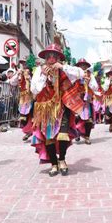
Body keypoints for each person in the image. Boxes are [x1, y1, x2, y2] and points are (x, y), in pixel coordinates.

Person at [30, 43, 85, 177]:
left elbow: (81, 73)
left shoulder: (64, 69)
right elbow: (34, 90)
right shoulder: (39, 70)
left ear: (58, 58)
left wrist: (63, 67)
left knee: (63, 134)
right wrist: (43, 76)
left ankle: (62, 160)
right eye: (49, 56)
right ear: (45, 58)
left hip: (62, 106)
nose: (51, 59)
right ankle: (54, 164)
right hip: (46, 108)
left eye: (54, 56)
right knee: (49, 137)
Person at [74, 58, 99, 145]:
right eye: (80, 65)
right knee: (75, 118)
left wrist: (89, 83)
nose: (82, 67)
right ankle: (76, 133)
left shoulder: (90, 75)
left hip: (87, 101)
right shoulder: (74, 75)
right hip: (76, 101)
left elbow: (95, 87)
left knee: (88, 120)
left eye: (84, 65)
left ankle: (87, 137)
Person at [10, 66, 33, 141]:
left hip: (33, 100)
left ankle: (33, 133)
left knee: (32, 117)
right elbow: (12, 82)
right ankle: (28, 132)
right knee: (24, 118)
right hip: (23, 100)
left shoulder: (32, 77)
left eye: (27, 71)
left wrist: (30, 79)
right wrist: (17, 74)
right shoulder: (20, 77)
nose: (26, 72)